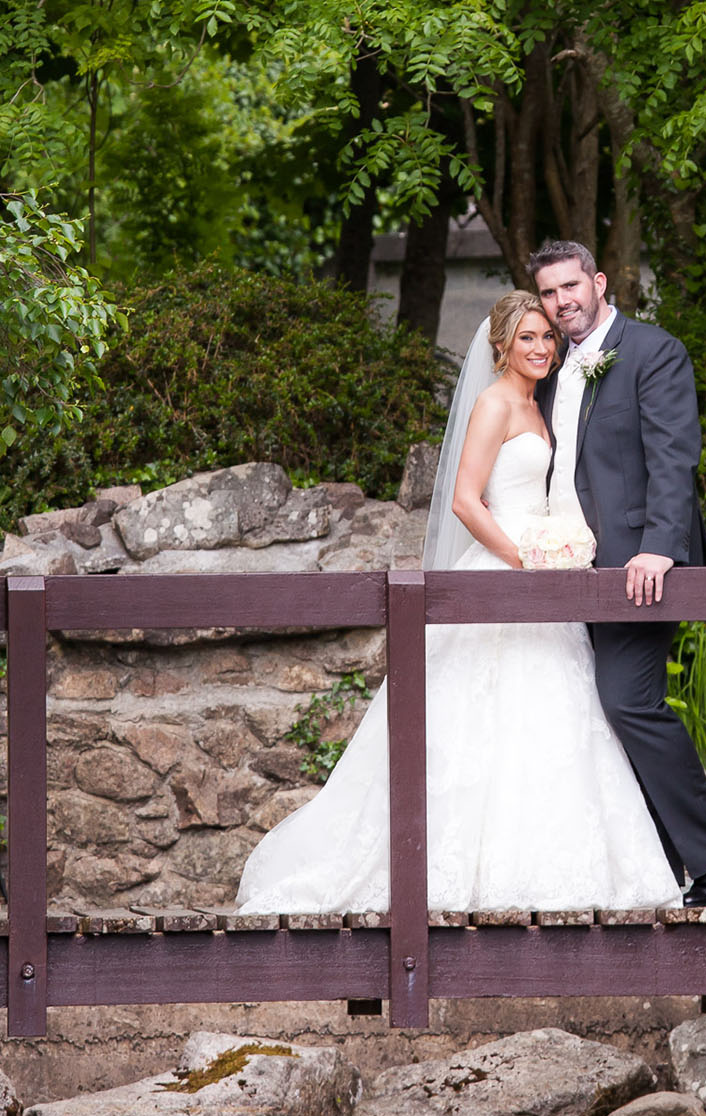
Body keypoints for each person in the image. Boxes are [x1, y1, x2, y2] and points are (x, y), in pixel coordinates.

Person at [235, 291, 681, 914]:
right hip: (502, 572)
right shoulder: (495, 403)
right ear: (501, 344)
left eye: (547, 337)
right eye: (527, 337)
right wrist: (526, 559)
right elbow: (467, 501)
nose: (541, 347)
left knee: (555, 722)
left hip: (547, 587)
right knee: (475, 725)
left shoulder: (541, 401)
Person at [529, 239, 706, 907]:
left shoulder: (653, 351)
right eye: (548, 292)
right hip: (567, 570)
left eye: (572, 286)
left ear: (598, 282)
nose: (562, 301)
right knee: (592, 710)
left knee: (629, 700)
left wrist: (660, 547)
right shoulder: (548, 369)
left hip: (635, 569)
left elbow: (675, 455)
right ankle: (656, 852)